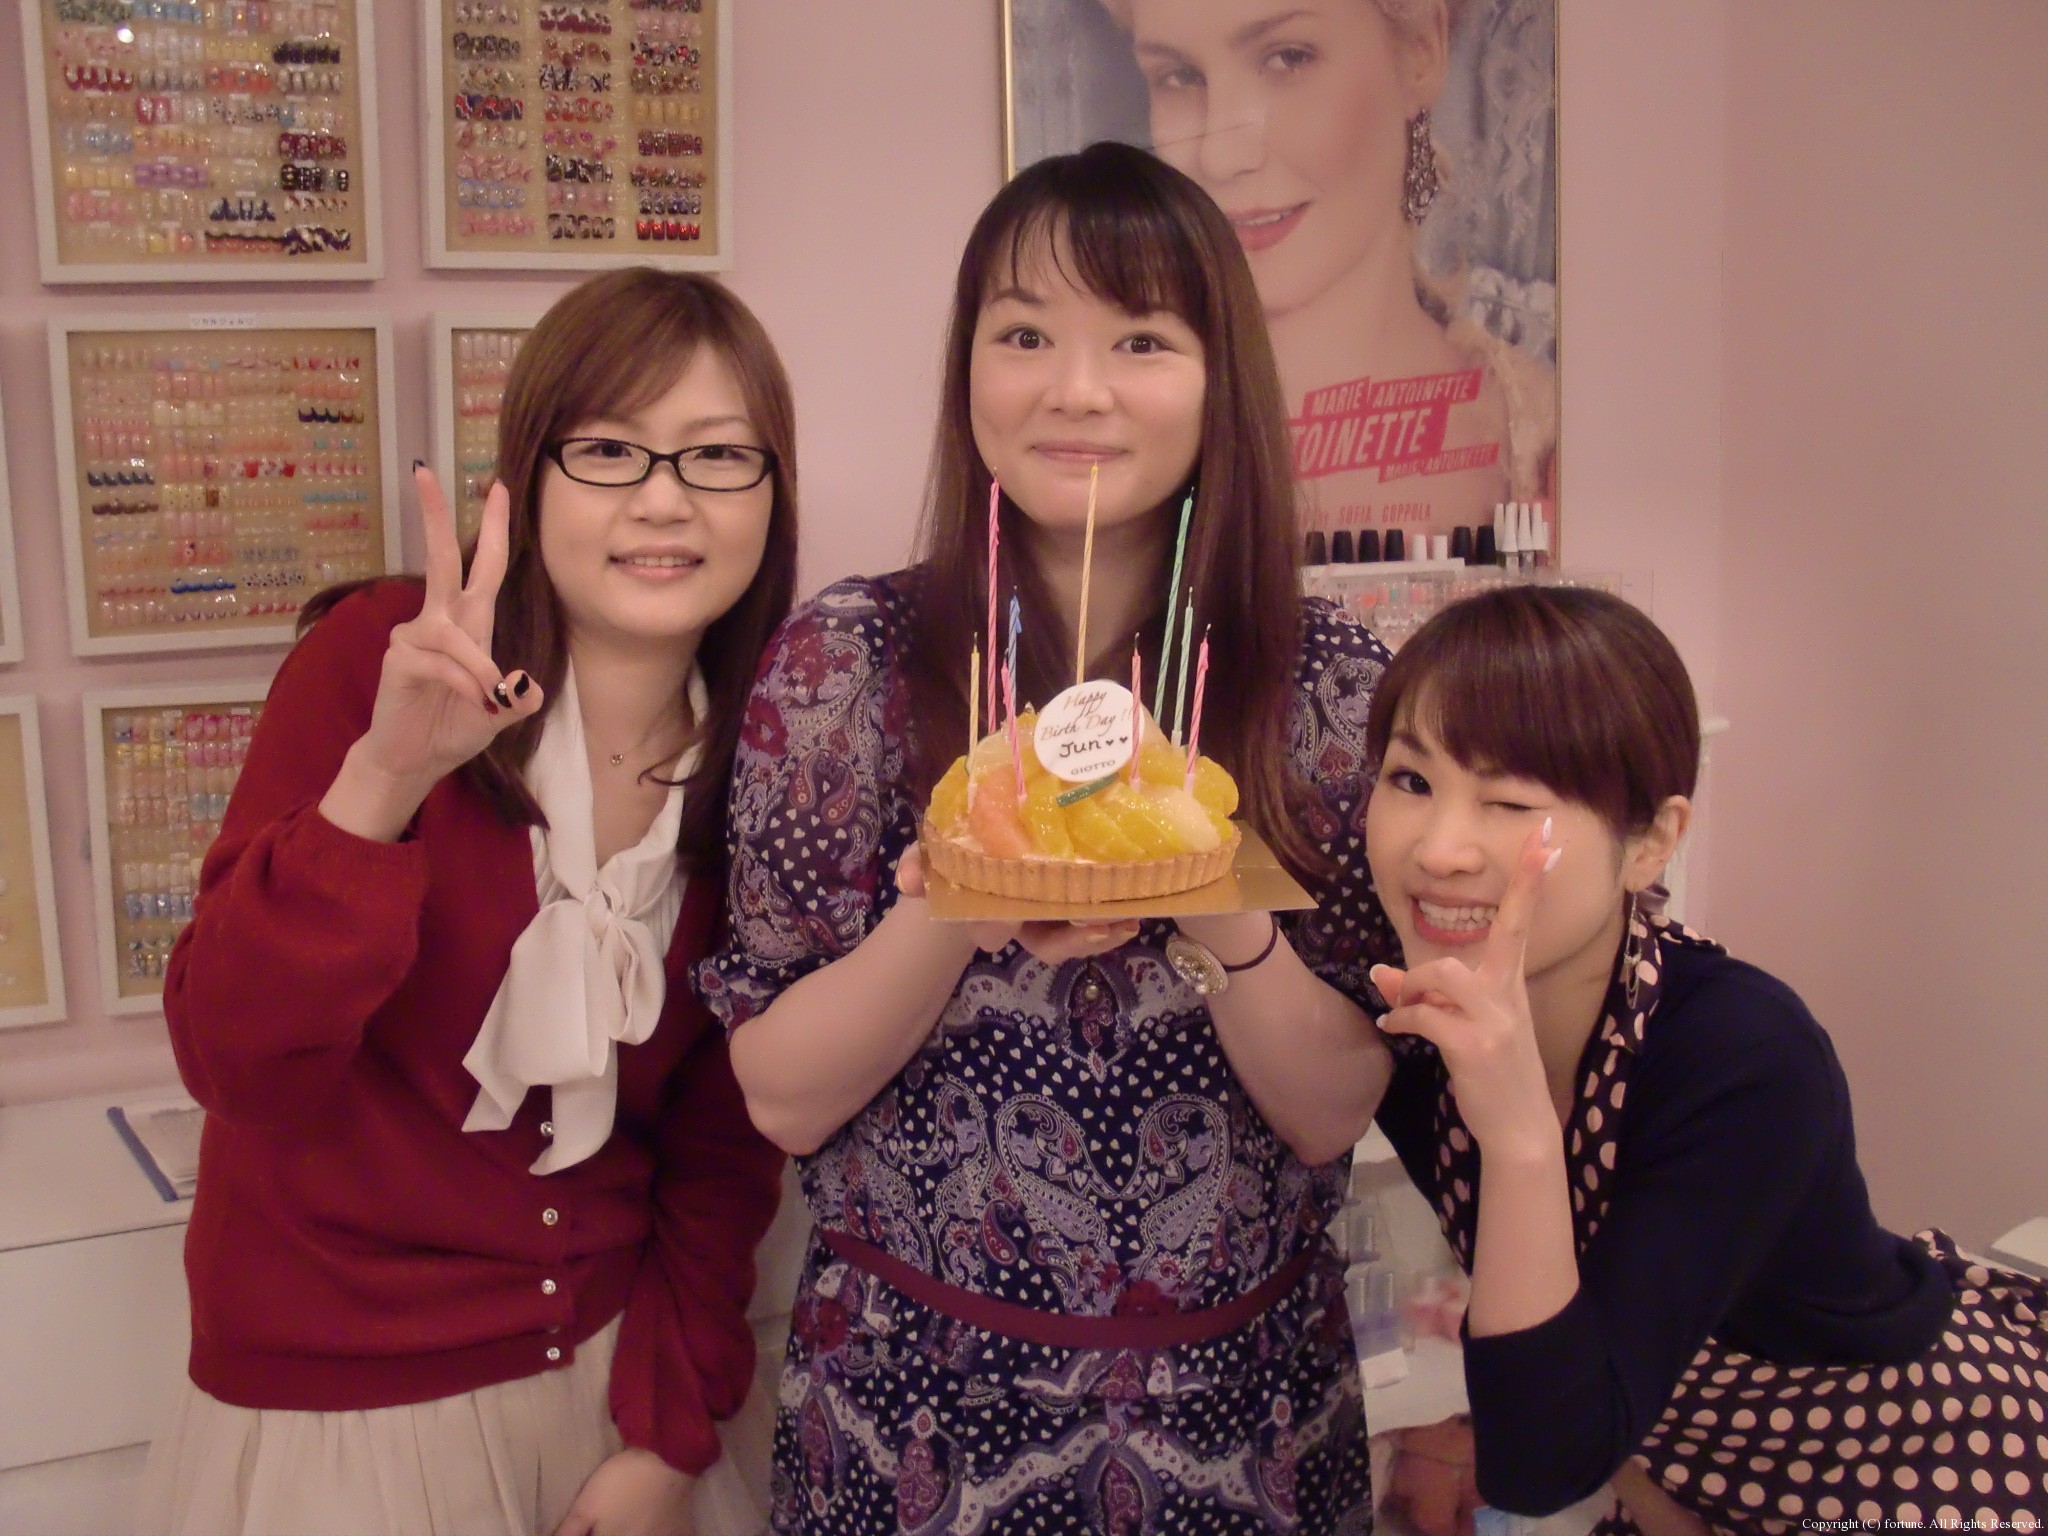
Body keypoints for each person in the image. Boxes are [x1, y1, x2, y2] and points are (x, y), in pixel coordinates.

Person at [698, 140, 1401, 1533]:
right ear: (967, 367)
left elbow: (1332, 1111)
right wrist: (956, 892)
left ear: (1220, 376)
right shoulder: (845, 665)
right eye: (1024, 335)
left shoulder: (1325, 687)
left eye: (1141, 338)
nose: (1076, 389)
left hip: (1242, 1417)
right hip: (916, 1418)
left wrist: (1208, 889)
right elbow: (779, 1097)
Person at [138, 269, 795, 1536]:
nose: (664, 499)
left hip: (609, 1381)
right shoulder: (383, 661)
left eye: (718, 455)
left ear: (773, 491)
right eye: (609, 450)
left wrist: (671, 1431)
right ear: (527, 476)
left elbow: (720, 1148)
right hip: (345, 1408)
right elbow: (234, 1063)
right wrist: (384, 780)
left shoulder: (770, 744)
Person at [1360, 584, 2048, 1536]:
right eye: (1410, 781)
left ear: (1653, 842)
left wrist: (1518, 1136)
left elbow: (1540, 1467)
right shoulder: (1416, 1022)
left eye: (1510, 800)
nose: (1439, 849)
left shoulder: (1745, 1056)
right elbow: (1562, 1419)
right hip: (1675, 1474)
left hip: (1910, 1460)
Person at [1102, 0, 1556, 543]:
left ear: (1421, 51)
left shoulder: (1549, 438)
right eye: (1178, 76)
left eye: (1287, 58)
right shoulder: (1112, 434)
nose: (1221, 155)